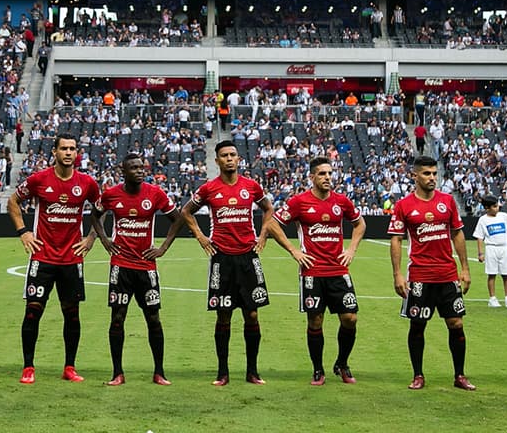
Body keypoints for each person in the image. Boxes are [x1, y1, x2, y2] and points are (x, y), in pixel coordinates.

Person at [178, 140, 276, 386]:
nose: (229, 159)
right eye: (224, 155)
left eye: (233, 155)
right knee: (223, 316)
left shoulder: (251, 187)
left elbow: (268, 208)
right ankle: (223, 372)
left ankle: (252, 371)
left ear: (239, 159)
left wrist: (263, 233)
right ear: (217, 161)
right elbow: (186, 211)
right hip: (221, 258)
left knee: (252, 314)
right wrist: (200, 236)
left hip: (248, 256)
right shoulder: (209, 189)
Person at [9, 133, 104, 384]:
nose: (68, 153)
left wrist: (92, 237)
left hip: (72, 259)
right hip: (43, 257)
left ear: (77, 153)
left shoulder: (87, 183)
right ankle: (28, 367)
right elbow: (13, 201)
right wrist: (24, 232)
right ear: (54, 152)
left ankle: (69, 367)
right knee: (33, 311)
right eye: (64, 149)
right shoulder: (39, 179)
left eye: (72, 149)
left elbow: (101, 210)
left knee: (72, 314)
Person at [267, 156, 366, 386]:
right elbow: (273, 224)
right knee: (315, 321)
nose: (327, 178)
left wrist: (351, 248)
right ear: (311, 177)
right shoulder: (299, 202)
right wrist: (294, 251)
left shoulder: (341, 201)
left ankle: (342, 363)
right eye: (322, 174)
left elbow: (359, 223)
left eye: (330, 174)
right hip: (311, 272)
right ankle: (318, 369)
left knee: (350, 318)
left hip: (338, 270)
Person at [91, 153, 182, 386]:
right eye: (134, 168)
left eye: (142, 167)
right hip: (120, 267)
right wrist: (104, 239)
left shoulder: (155, 194)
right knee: (117, 318)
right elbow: (95, 214)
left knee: (153, 318)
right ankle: (117, 373)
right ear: (124, 171)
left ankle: (159, 372)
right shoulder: (111, 194)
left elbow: (177, 219)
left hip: (146, 267)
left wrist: (162, 248)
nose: (140, 171)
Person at [389, 156, 474, 391]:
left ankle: (459, 375)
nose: (432, 178)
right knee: (418, 325)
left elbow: (457, 234)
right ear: (414, 176)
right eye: (427, 174)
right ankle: (418, 375)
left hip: (447, 275)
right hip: (419, 276)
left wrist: (465, 268)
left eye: (434, 174)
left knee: (456, 323)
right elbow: (395, 240)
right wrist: (397, 274)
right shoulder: (404, 205)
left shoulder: (447, 201)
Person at [473, 196, 507, 307]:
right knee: (492, 274)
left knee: (506, 274)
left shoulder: (503, 217)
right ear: (487, 208)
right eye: (494, 206)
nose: (497, 208)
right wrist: (480, 253)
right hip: (491, 248)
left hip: (504, 248)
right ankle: (492, 298)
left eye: (497, 206)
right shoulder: (483, 220)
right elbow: (479, 237)